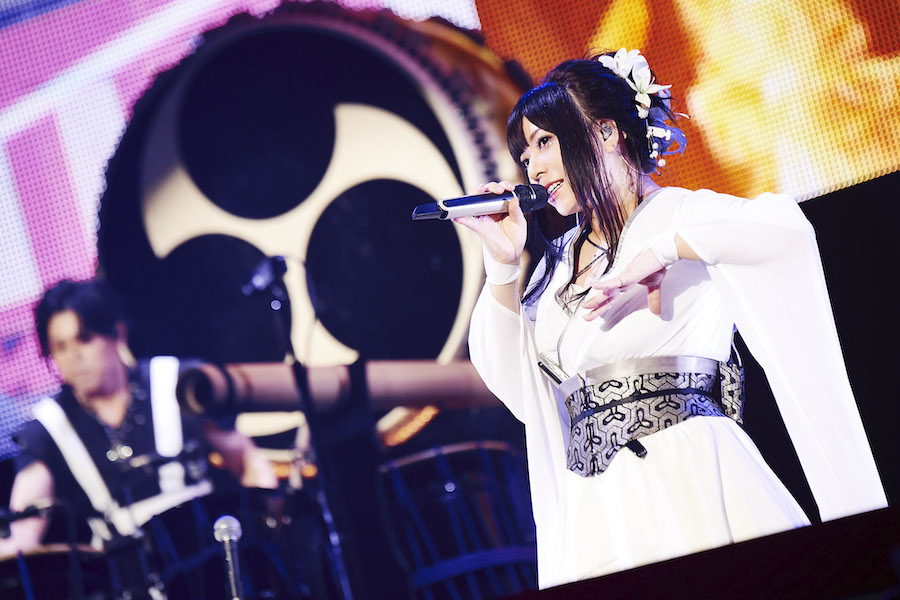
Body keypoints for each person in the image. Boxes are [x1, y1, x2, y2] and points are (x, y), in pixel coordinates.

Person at [456, 48, 888, 589]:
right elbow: (521, 386)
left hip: (687, 469)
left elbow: (786, 231)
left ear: (606, 132)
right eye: (525, 157)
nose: (534, 168)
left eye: (545, 142)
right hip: (598, 505)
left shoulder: (680, 214)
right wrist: (502, 264)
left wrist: (665, 250)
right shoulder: (560, 261)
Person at [0, 279, 277, 591]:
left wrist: (268, 527)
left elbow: (248, 462)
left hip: (213, 562)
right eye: (60, 347)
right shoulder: (48, 426)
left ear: (117, 334)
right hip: (128, 581)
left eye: (84, 339)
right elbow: (23, 532)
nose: (73, 356)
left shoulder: (178, 382)